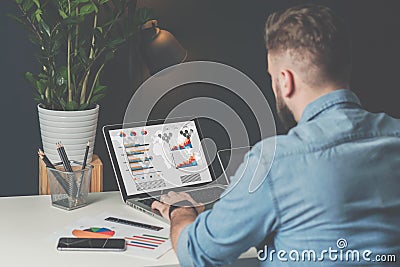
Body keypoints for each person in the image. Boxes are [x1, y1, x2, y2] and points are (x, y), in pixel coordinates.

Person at [152, 4, 400, 266]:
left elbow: (196, 254)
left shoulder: (275, 161)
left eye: (272, 77)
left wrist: (181, 211)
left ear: (285, 80)